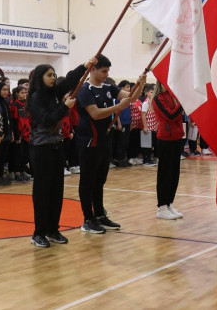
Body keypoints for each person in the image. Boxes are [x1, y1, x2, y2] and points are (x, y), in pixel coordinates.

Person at [27, 57, 97, 247]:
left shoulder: (53, 94)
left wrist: (84, 66)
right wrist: (63, 108)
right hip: (41, 149)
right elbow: (47, 120)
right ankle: (38, 232)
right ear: (40, 77)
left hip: (57, 146)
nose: (53, 78)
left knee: (57, 190)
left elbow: (69, 81)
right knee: (42, 192)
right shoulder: (35, 98)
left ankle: (52, 229)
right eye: (49, 75)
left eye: (53, 74)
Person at [75, 55, 143, 234]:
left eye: (108, 71)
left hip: (105, 139)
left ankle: (99, 214)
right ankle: (87, 219)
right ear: (93, 70)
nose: (106, 74)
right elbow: (95, 114)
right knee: (87, 181)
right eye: (103, 71)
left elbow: (130, 97)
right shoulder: (84, 90)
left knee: (100, 180)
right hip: (89, 140)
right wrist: (119, 107)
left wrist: (140, 84)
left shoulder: (108, 87)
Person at [151, 81, 186, 220]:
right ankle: (161, 206)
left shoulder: (173, 96)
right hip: (165, 139)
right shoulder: (158, 98)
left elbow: (175, 114)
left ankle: (169, 203)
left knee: (174, 173)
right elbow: (170, 116)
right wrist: (182, 104)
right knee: (165, 173)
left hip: (176, 137)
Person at [0, 81, 13, 185]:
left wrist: (11, 133)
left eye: (7, 90)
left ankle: (1, 175)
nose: (6, 92)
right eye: (3, 90)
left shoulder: (5, 101)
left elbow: (9, 118)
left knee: (4, 156)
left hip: (7, 132)